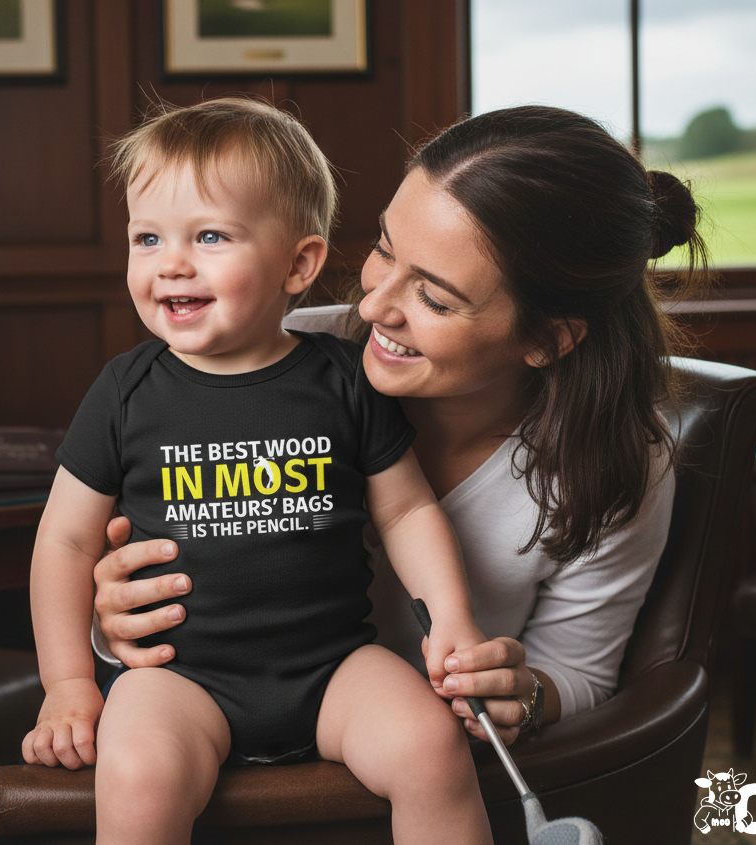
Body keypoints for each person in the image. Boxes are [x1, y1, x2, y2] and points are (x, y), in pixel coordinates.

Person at [91, 104, 709, 749]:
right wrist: (114, 624)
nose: (374, 305)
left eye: (435, 299)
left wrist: (523, 694)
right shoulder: (271, 354)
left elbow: (580, 672)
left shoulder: (617, 462)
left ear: (548, 339)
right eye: (385, 249)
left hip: (424, 763)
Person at [21, 98, 494, 845]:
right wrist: (69, 685)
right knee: (137, 773)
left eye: (209, 235)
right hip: (178, 679)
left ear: (298, 264)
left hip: (333, 666)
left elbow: (406, 512)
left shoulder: (344, 379)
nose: (170, 262)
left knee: (431, 747)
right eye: (147, 238)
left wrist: (455, 619)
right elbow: (66, 543)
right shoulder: (125, 390)